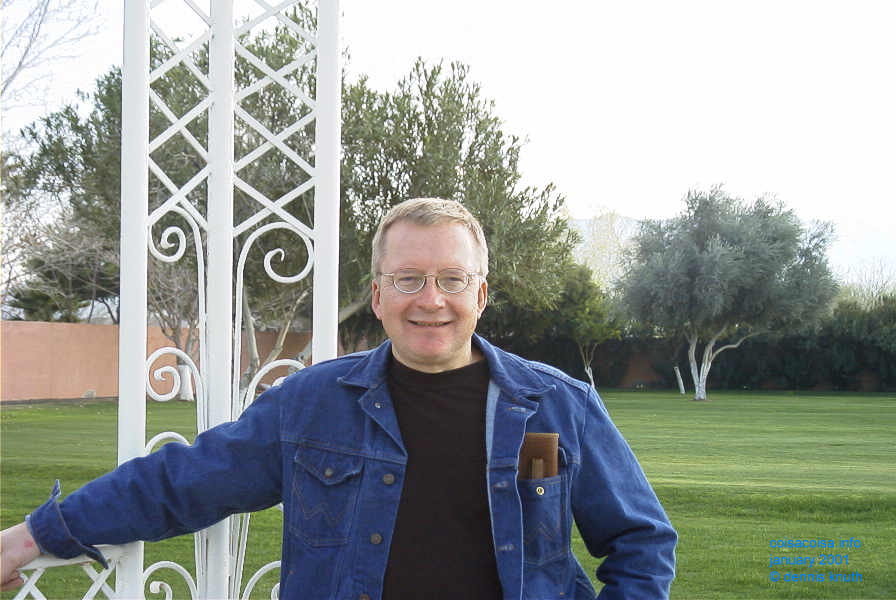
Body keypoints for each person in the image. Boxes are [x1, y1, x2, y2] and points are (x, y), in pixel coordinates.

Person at [1, 198, 677, 599]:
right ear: (378, 296)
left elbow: (641, 541)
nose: (431, 299)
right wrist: (37, 535)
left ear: (481, 292)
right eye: (408, 279)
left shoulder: (558, 406)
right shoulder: (314, 403)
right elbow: (184, 481)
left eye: (451, 278)